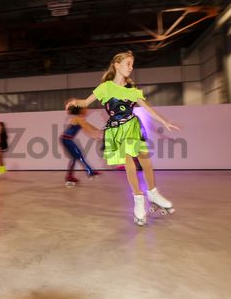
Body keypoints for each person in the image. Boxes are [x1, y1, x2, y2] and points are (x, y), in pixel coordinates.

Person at [66, 51, 179, 226]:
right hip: (116, 131)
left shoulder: (132, 91)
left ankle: (153, 193)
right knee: (129, 163)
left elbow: (147, 108)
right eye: (128, 63)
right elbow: (86, 102)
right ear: (117, 65)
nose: (131, 67)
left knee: (145, 161)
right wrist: (75, 102)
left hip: (132, 126)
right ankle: (138, 200)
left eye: (132, 64)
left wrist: (164, 122)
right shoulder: (105, 88)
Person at [60, 104, 101, 186]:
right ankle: (89, 172)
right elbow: (87, 129)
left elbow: (90, 126)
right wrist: (94, 135)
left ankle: (70, 176)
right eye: (85, 109)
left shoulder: (81, 119)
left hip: (67, 139)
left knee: (75, 157)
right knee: (78, 155)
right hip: (66, 139)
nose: (87, 110)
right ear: (81, 110)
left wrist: (100, 131)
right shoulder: (77, 119)